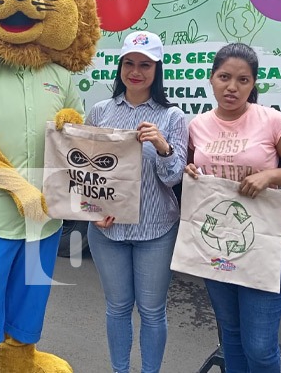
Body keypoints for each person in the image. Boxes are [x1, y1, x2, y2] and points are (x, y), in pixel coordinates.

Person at [185, 43, 281, 373]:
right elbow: (189, 168)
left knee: (259, 345)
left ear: (253, 84)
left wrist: (270, 176)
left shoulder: (272, 121)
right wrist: (190, 173)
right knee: (231, 336)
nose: (233, 87)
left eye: (243, 80)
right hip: (215, 242)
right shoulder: (197, 126)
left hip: (263, 243)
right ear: (211, 79)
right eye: (225, 77)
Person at [85, 31, 188, 373]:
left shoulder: (172, 118)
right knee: (116, 307)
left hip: (155, 230)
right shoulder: (100, 112)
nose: (136, 71)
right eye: (129, 63)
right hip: (107, 233)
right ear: (120, 67)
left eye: (145, 64)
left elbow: (174, 178)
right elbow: (84, 173)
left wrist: (162, 146)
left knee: (152, 311)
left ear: (158, 70)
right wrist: (92, 211)